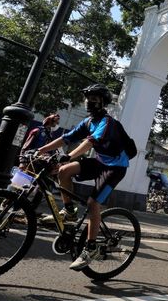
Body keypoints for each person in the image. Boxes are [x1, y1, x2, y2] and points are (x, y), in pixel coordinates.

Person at [38, 84, 130, 270]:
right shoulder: (88, 122)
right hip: (99, 162)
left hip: (115, 167)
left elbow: (90, 143)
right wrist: (41, 149)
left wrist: (69, 156)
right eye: (88, 99)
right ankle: (70, 212)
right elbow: (67, 138)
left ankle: (91, 247)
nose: (89, 102)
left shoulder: (107, 122)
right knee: (64, 171)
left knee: (92, 203)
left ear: (102, 102)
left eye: (94, 99)